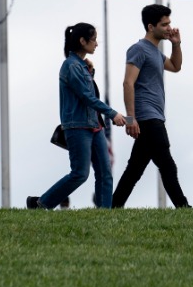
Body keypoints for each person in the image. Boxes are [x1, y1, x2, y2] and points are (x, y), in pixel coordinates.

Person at [28, 23, 126, 210]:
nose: (96, 44)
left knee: (105, 173)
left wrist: (90, 72)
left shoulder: (80, 66)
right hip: (78, 127)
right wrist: (112, 114)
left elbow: (87, 92)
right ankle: (41, 203)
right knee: (80, 173)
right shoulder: (71, 66)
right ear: (82, 41)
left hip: (94, 126)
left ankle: (105, 214)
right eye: (94, 39)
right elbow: (87, 97)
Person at [112, 4, 192, 208]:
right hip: (147, 117)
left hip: (154, 115)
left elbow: (175, 66)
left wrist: (176, 44)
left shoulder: (155, 52)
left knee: (135, 169)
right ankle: (183, 207)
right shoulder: (138, 49)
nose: (169, 28)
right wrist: (131, 119)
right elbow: (127, 83)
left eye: (169, 24)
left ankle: (113, 207)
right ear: (150, 26)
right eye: (164, 25)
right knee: (166, 163)